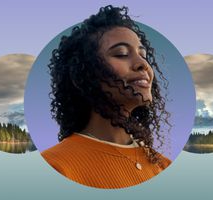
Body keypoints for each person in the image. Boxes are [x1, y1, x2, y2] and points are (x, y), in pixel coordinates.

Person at [41, 5, 171, 189]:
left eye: (143, 55)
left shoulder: (163, 165)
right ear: (85, 74)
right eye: (122, 54)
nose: (143, 64)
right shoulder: (56, 166)